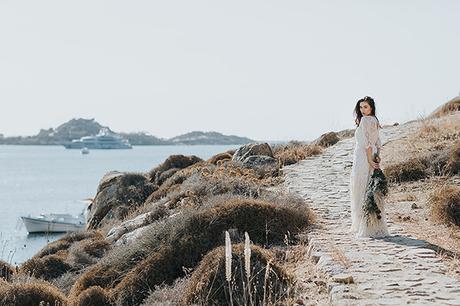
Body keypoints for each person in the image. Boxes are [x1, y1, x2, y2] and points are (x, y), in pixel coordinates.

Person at [350, 96, 389, 238]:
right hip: (372, 154)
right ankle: (372, 224)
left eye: (365, 107)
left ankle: (363, 224)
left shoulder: (365, 120)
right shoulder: (375, 120)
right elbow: (378, 142)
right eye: (360, 107)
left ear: (371, 107)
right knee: (370, 187)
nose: (362, 110)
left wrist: (369, 160)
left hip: (363, 156)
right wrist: (377, 156)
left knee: (362, 187)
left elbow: (365, 142)